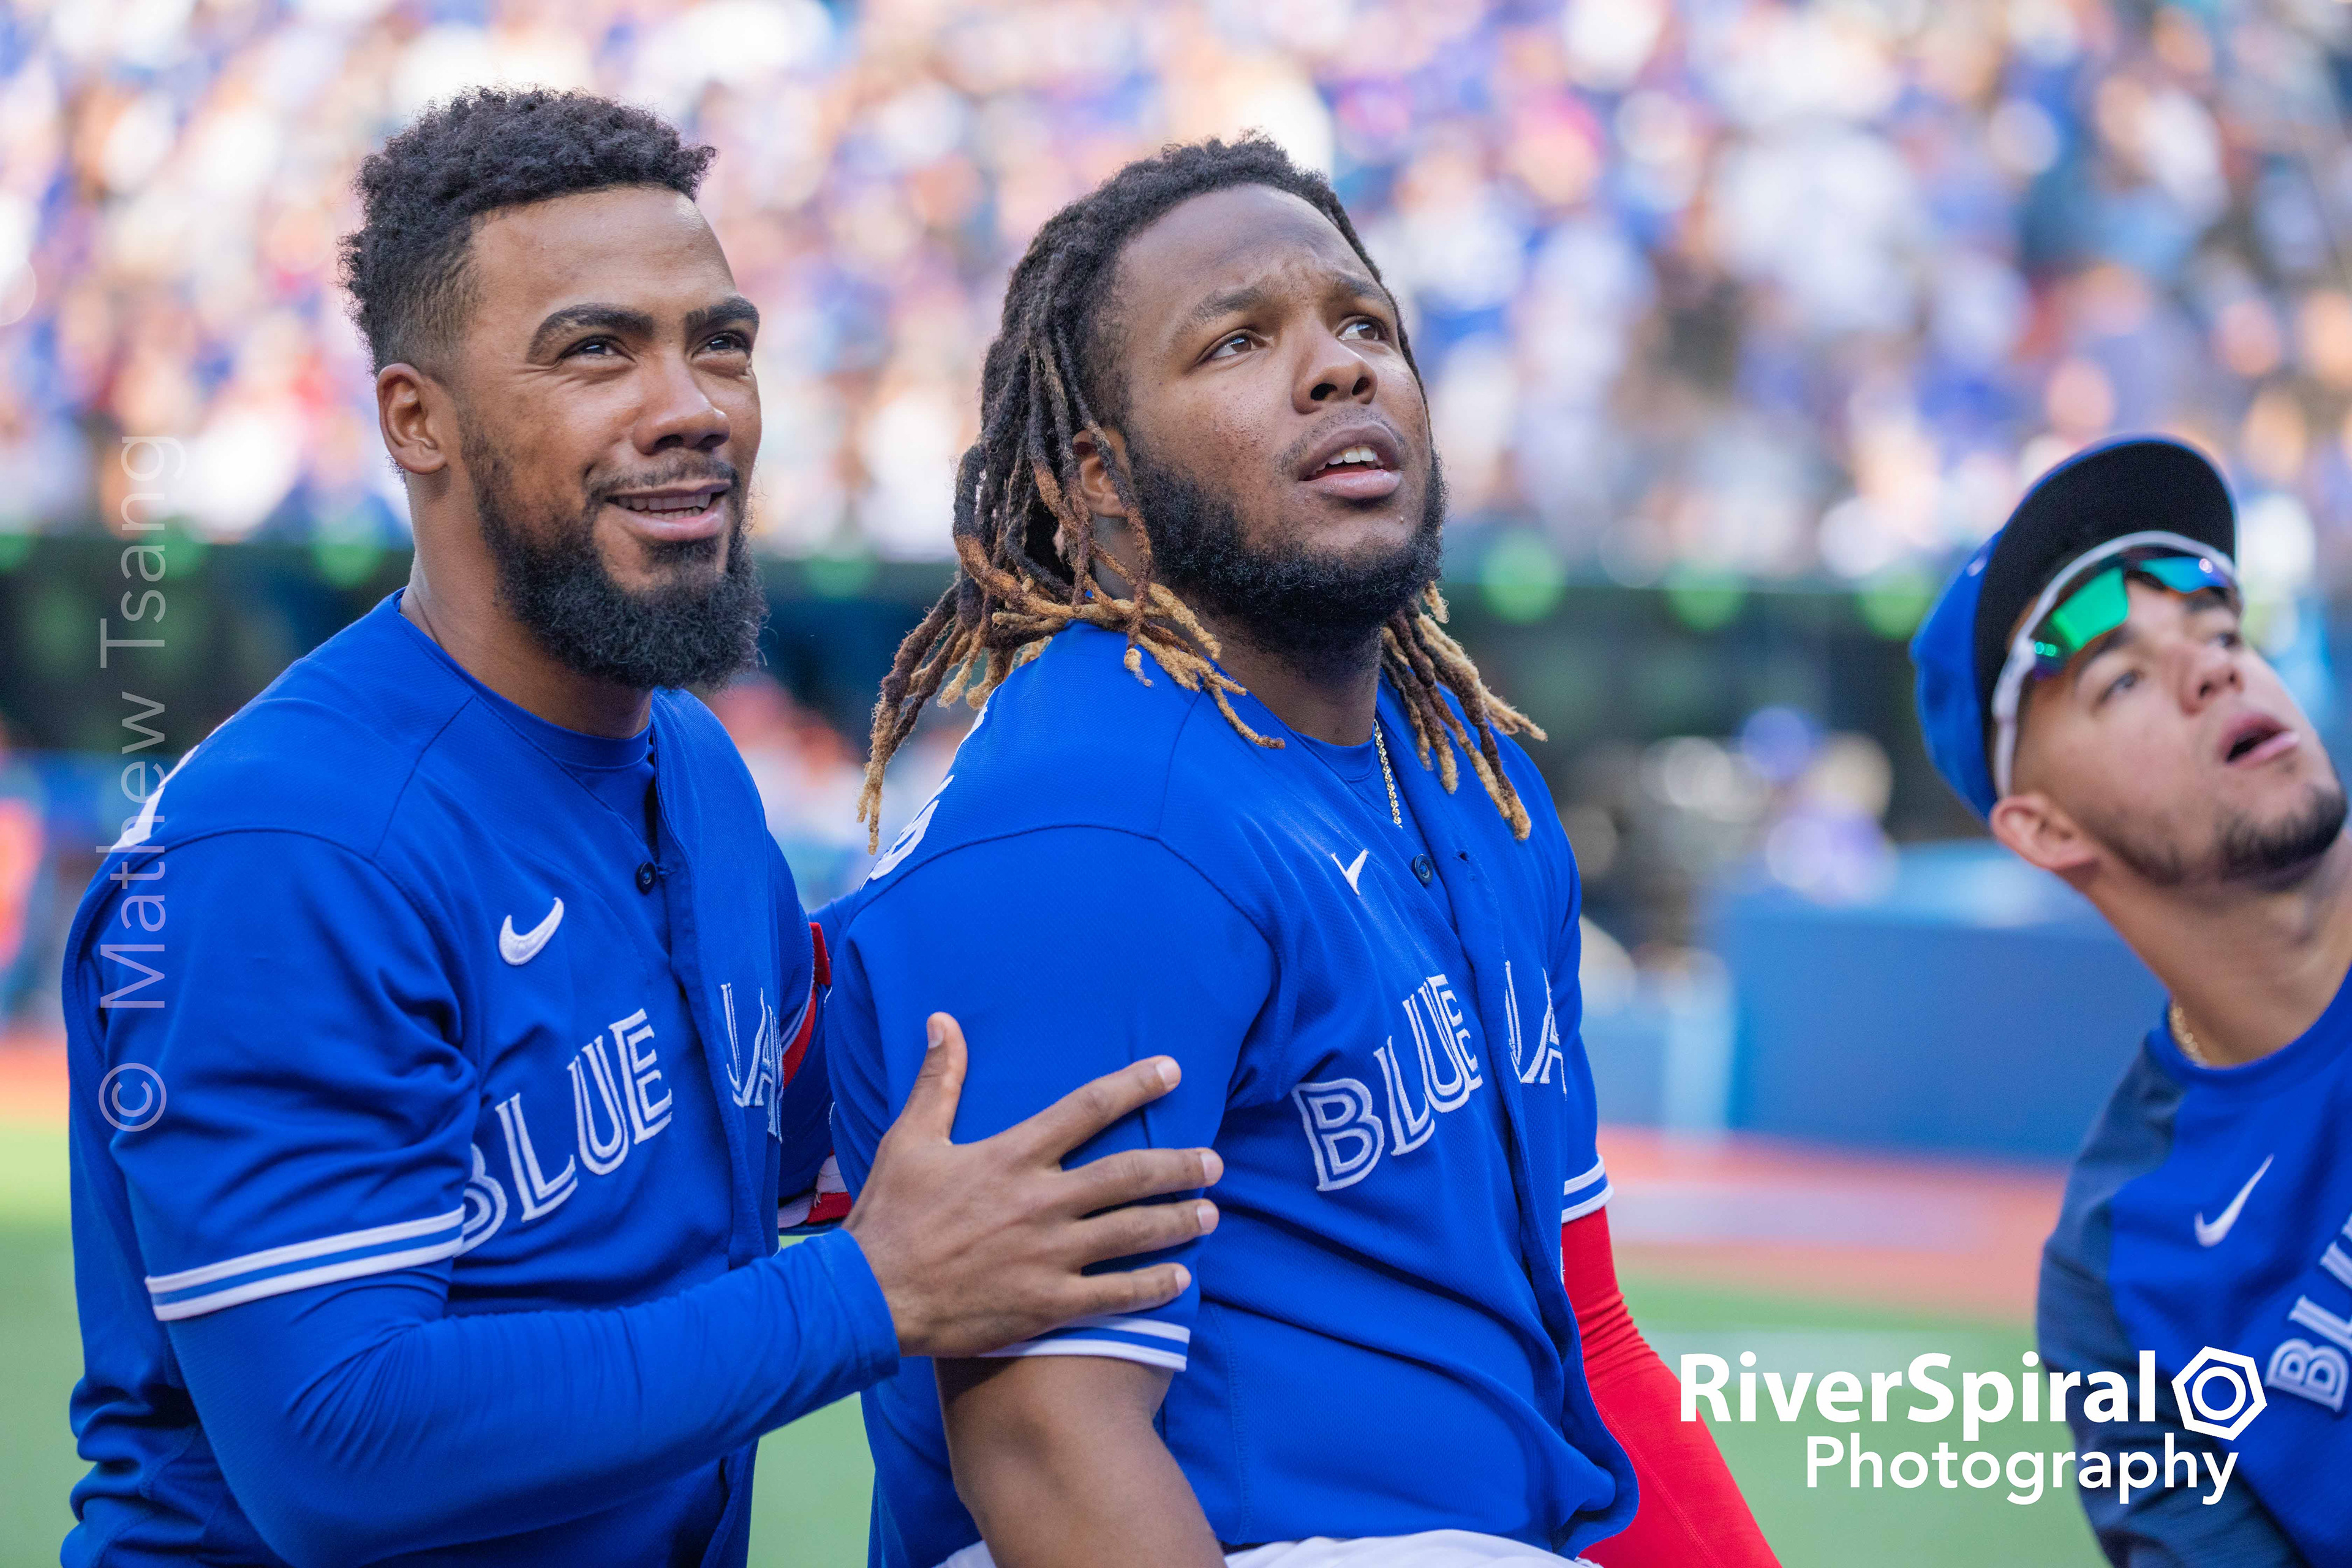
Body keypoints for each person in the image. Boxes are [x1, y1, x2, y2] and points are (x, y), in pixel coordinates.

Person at [61, 89, 1219, 1567]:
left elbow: (811, 1108)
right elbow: (336, 1441)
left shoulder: (690, 761)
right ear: (417, 420)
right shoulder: (288, 846)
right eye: (597, 349)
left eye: (719, 342)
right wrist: (870, 1291)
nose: (693, 404)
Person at [821, 137, 1777, 1568]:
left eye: (1364, 324)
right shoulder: (1097, 820)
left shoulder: (1470, 776)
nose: (1339, 369)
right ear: (1099, 484)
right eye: (1237, 342)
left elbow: (1589, 1324)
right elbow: (1046, 1451)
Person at [1913, 436, 2351, 1564]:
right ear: (2047, 831)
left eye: (2219, 631)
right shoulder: (2114, 1286)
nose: (2217, 670)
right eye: (2120, 676)